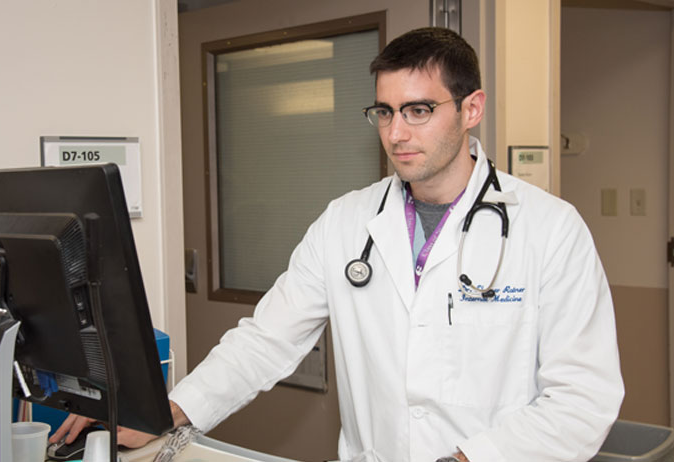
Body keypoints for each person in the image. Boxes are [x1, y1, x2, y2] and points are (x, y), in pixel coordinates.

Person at [51, 27, 624, 462]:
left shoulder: (549, 228)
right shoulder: (346, 222)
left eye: (419, 111)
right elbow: (266, 341)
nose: (396, 132)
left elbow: (583, 398)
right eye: (385, 112)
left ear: (471, 108)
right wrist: (165, 411)